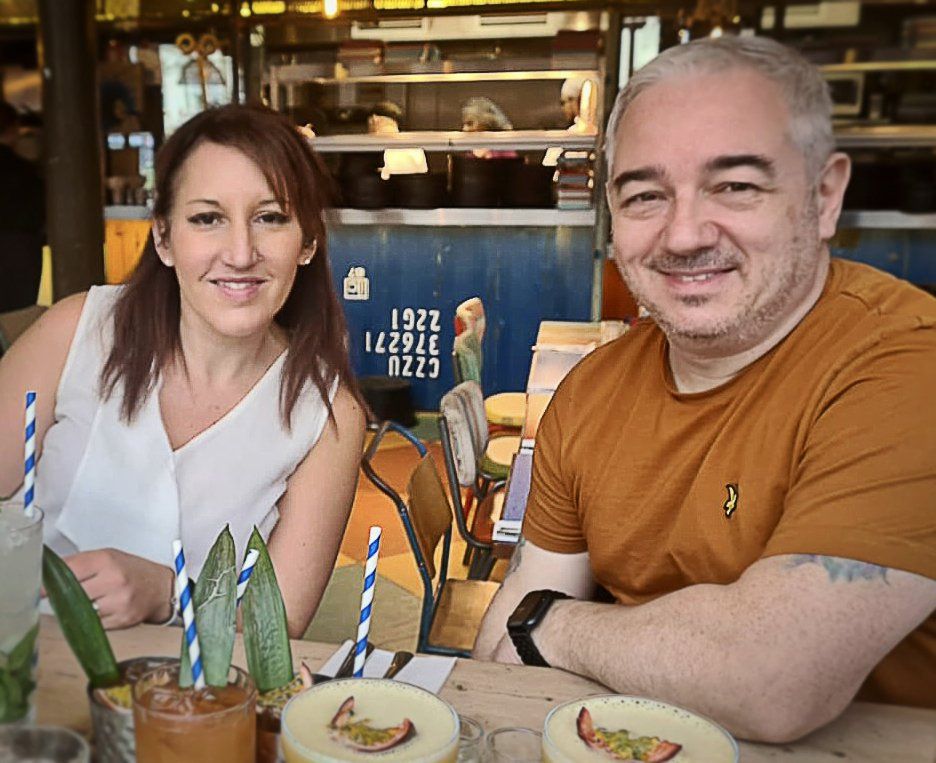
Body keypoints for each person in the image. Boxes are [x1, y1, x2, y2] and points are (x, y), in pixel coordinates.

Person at [474, 35, 936, 742]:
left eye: (736, 186)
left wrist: (554, 624)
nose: (684, 234)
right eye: (645, 195)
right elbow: (503, 656)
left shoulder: (908, 363)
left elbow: (773, 678)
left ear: (824, 196)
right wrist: (542, 626)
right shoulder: (590, 391)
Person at [0, 104, 366, 637]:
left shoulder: (327, 415)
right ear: (164, 239)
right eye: (207, 218)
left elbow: (278, 626)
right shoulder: (77, 330)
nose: (240, 253)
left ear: (308, 241)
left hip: (189, 687)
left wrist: (168, 594)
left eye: (270, 217)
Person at [0, 100, 44, 314]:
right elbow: (38, 213)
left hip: (18, 244)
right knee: (15, 317)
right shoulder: (25, 171)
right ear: (13, 129)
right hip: (20, 249)